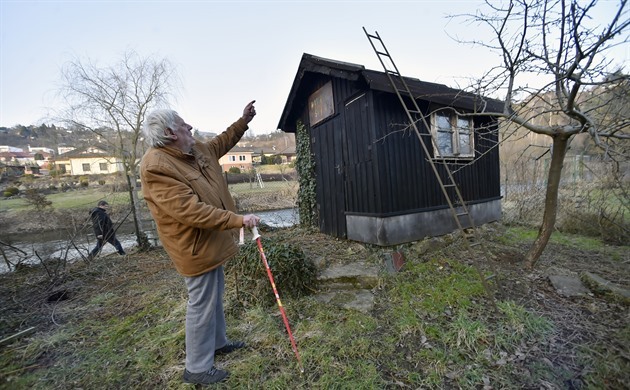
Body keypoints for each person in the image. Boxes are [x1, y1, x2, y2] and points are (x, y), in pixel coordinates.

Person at [140, 100, 260, 386]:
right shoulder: (157, 167)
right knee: (201, 304)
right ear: (171, 133)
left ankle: (218, 344)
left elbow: (223, 141)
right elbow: (189, 210)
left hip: (212, 242)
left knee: (214, 297)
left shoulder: (194, 149)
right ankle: (196, 367)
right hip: (194, 247)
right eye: (183, 125)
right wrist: (237, 220)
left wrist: (243, 121)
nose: (190, 127)